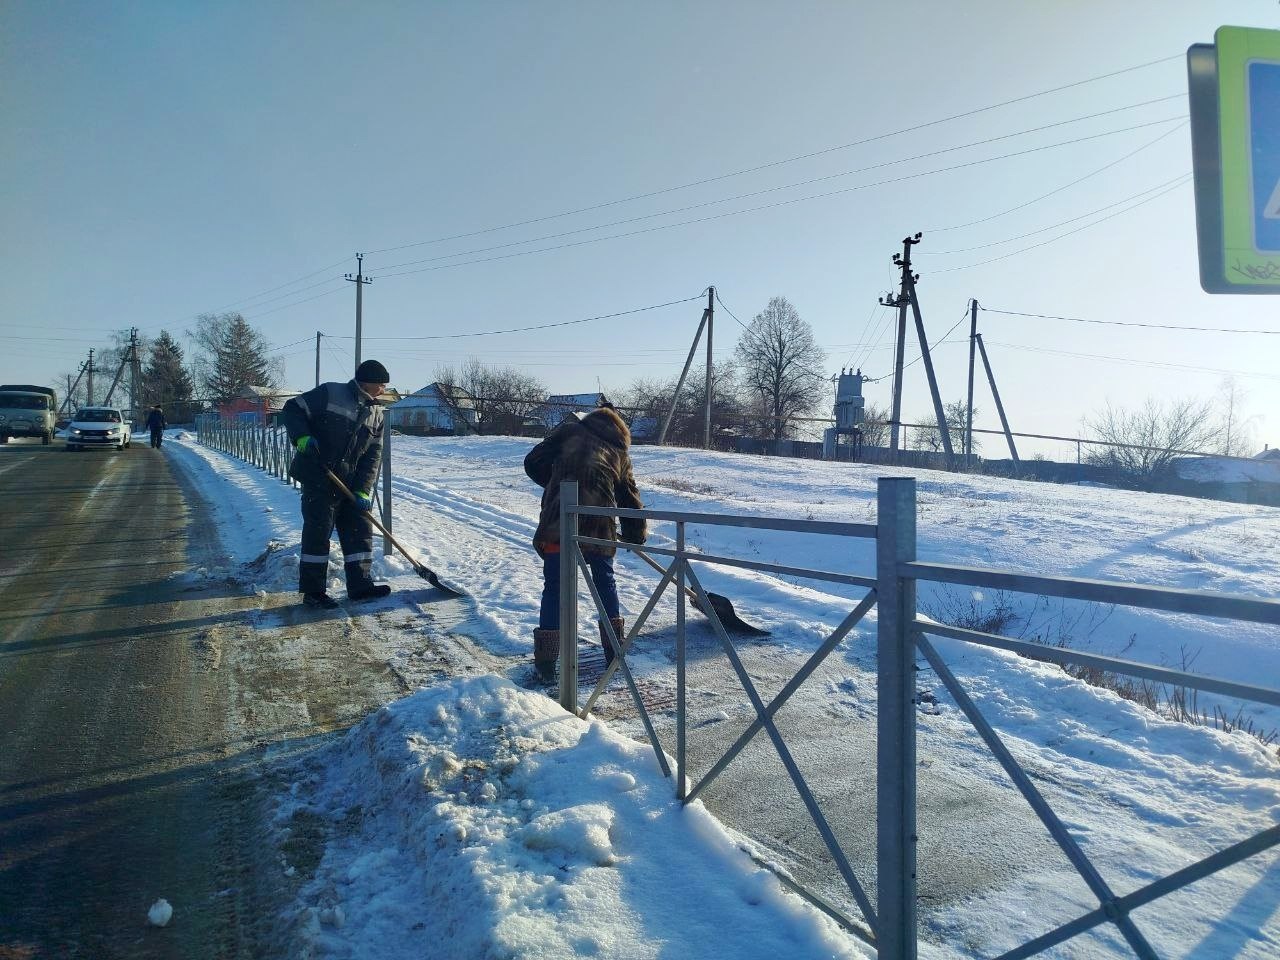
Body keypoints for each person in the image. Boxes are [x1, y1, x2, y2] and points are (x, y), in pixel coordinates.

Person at [524, 403, 646, 682]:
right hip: (599, 529)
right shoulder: (620, 452)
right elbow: (629, 498)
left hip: (559, 525)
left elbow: (533, 461)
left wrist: (558, 484)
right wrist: (635, 535)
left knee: (555, 587)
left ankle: (546, 661)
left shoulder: (570, 432)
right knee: (605, 583)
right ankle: (613, 652)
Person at [282, 360, 393, 609]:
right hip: (319, 476)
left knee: (359, 531)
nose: (384, 389)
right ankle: (314, 593)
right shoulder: (330, 393)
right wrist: (301, 436)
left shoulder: (376, 414)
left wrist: (363, 488)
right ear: (367, 382)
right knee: (318, 534)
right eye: (381, 384)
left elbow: (372, 455)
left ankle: (360, 586)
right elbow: (292, 409)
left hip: (350, 484)